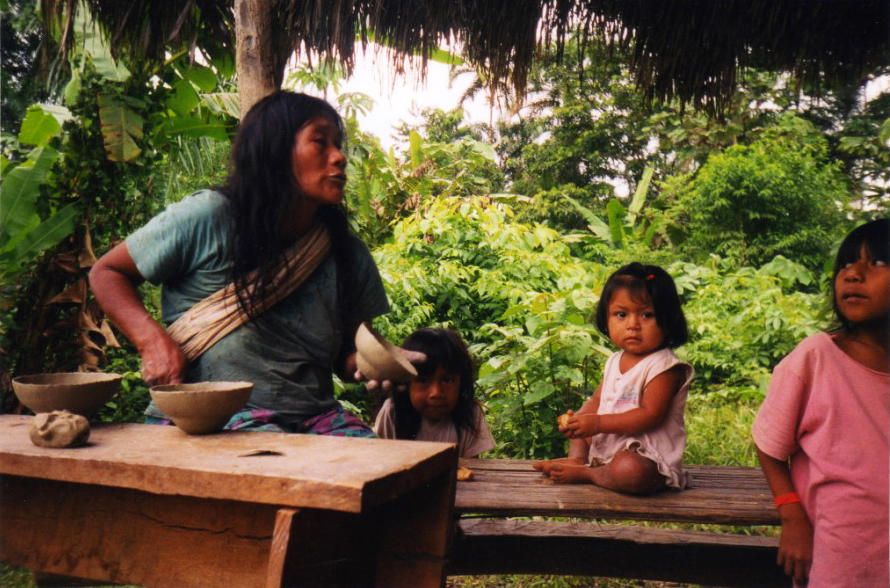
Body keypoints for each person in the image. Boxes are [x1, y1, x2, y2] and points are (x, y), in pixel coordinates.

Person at [90, 91, 419, 436]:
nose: (338, 158)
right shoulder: (209, 217)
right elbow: (107, 272)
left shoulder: (347, 254)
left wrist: (373, 364)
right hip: (211, 416)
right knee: (276, 462)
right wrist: (151, 341)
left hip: (314, 417)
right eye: (320, 143)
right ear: (275, 152)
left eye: (339, 145)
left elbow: (346, 355)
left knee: (383, 470)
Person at [752, 218, 890, 587]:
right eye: (846, 264)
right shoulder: (817, 358)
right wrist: (792, 516)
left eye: (876, 263)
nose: (853, 274)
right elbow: (768, 446)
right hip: (842, 555)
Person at [534, 263, 693, 495]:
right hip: (609, 445)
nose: (633, 325)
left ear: (668, 320)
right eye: (621, 314)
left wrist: (597, 423)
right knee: (584, 421)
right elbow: (597, 401)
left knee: (631, 471)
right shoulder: (613, 361)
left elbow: (651, 416)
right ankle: (577, 460)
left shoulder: (665, 366)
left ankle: (589, 474)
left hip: (647, 458)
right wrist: (579, 420)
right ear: (606, 318)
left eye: (647, 315)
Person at [373, 328, 496, 458]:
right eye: (423, 380)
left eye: (447, 380)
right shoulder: (393, 412)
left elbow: (469, 471)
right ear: (406, 383)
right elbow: (381, 461)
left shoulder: (470, 414)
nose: (436, 393)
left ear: (461, 382)